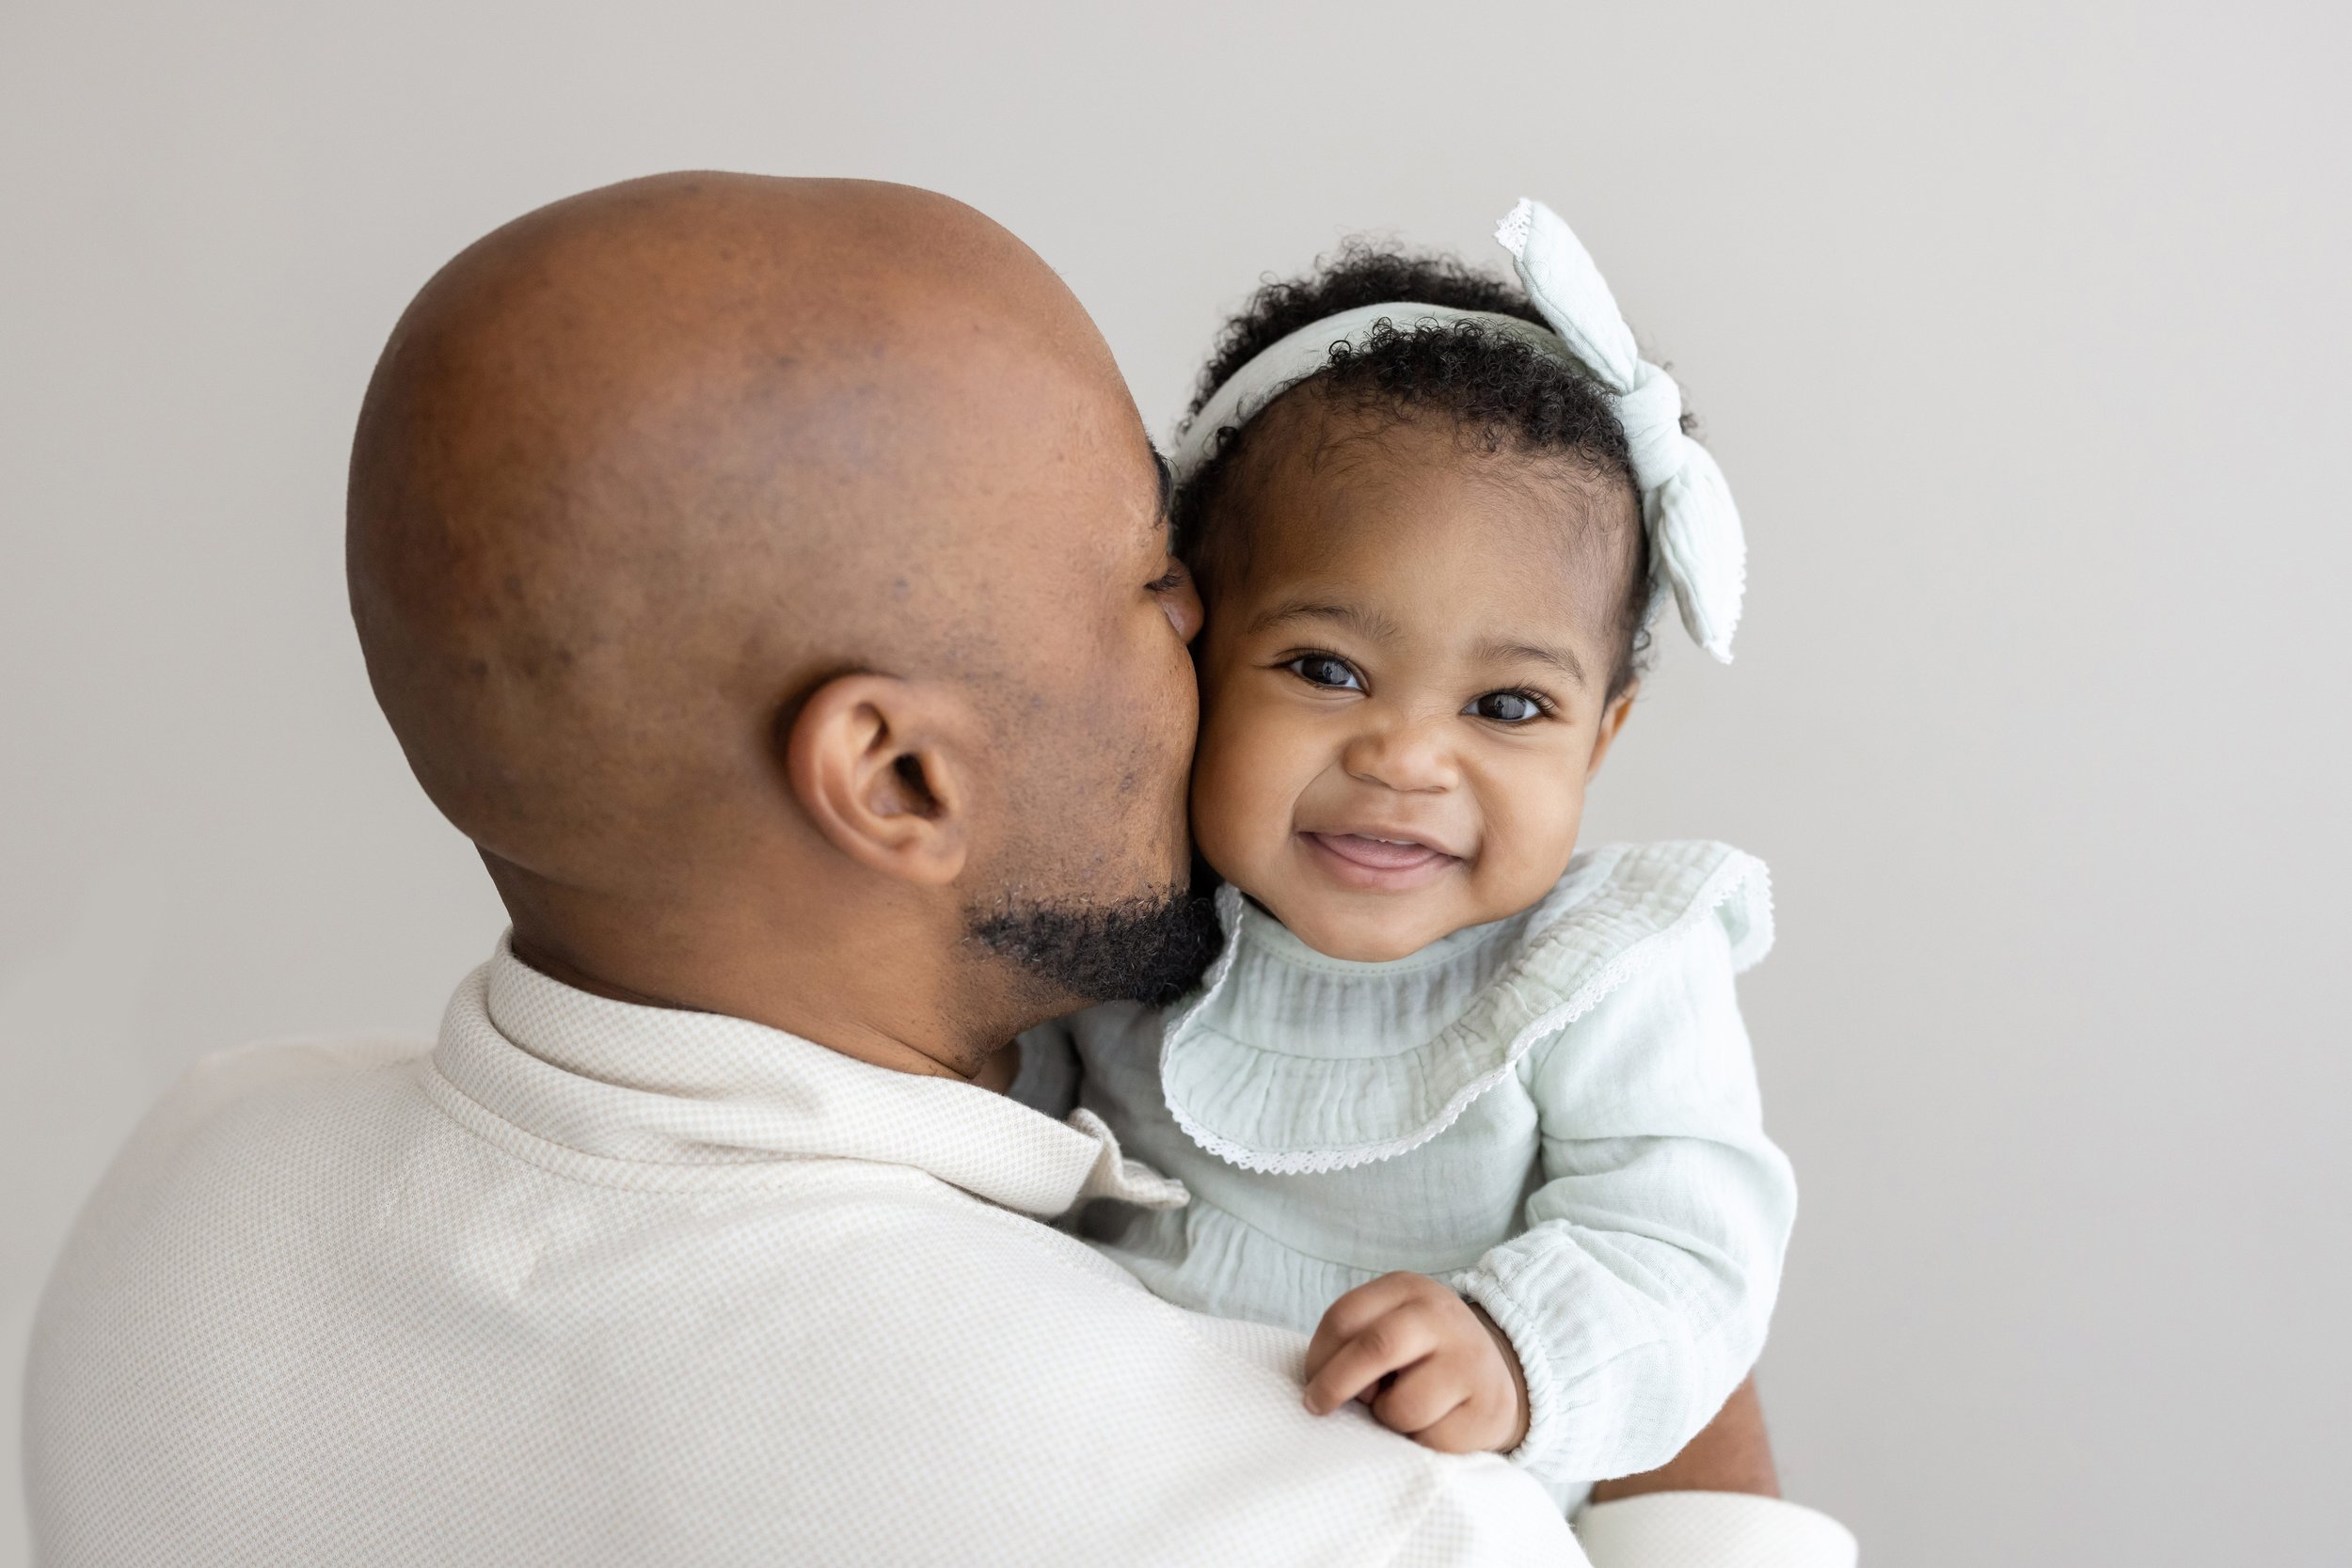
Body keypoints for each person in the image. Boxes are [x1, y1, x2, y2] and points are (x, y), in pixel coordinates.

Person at [23, 173, 1850, 1566]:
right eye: (1160, 586)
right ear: (896, 775)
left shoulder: (185, 1189)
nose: (1213, 645)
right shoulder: (1286, 1492)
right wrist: (1677, 1436)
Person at [1015, 194, 1818, 1525]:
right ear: (1194, 650)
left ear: (1601, 739)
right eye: (1327, 670)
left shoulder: (1604, 966)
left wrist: (1512, 1350)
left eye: (1507, 707)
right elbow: (1002, 1123)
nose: (1407, 760)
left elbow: (1688, 1252)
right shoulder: (1135, 900)